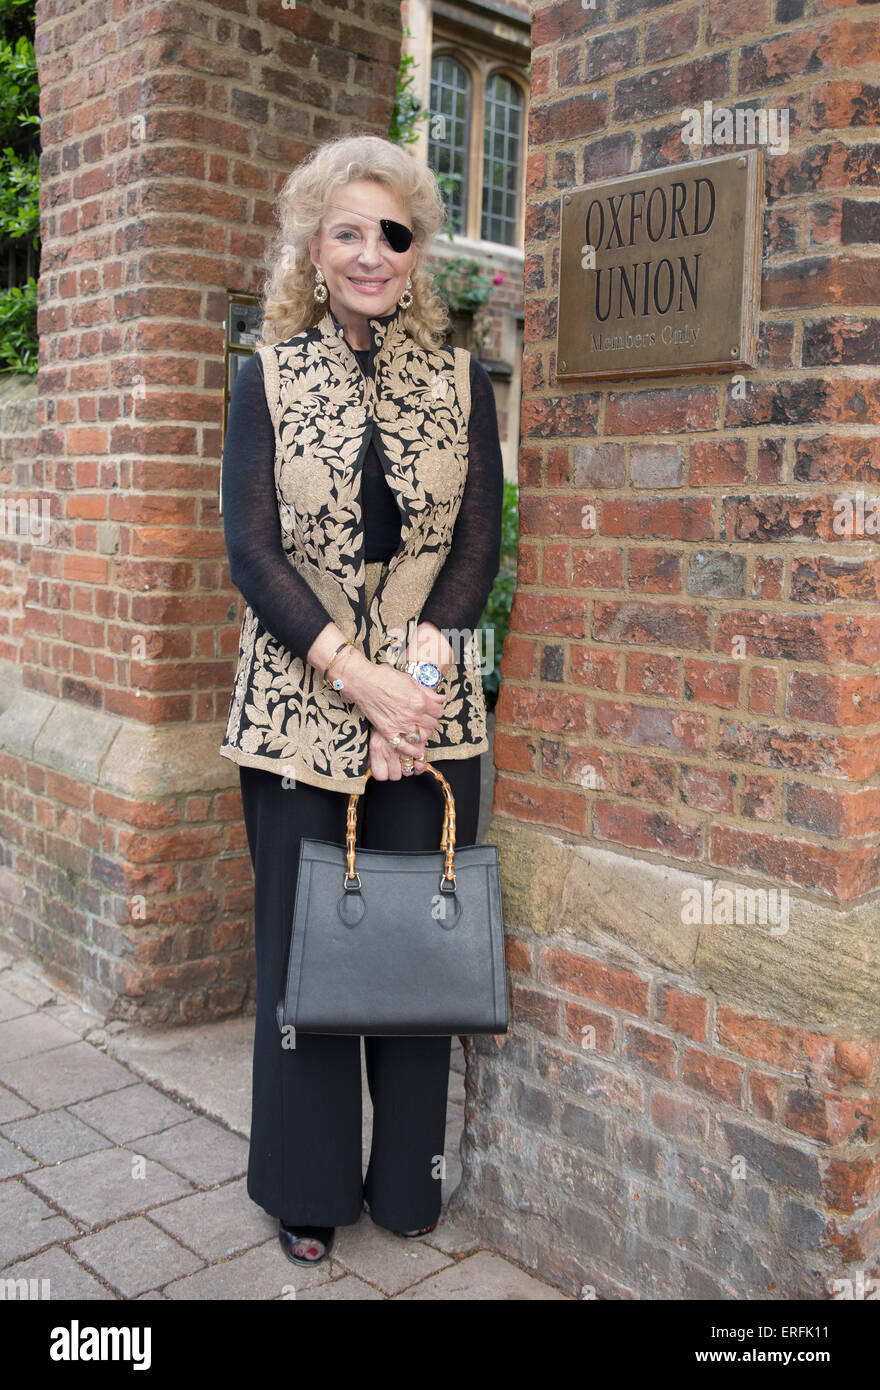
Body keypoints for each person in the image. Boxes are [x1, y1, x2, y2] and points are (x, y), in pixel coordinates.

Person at [219, 134, 503, 1267]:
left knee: (413, 957)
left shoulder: (460, 377)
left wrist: (418, 688)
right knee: (308, 958)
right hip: (300, 709)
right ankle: (305, 1186)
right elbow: (251, 548)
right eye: (350, 230)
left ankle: (408, 1182)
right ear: (314, 244)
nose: (372, 252)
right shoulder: (267, 375)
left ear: (416, 249)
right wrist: (361, 678)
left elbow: (482, 537)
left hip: (433, 716)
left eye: (393, 232)